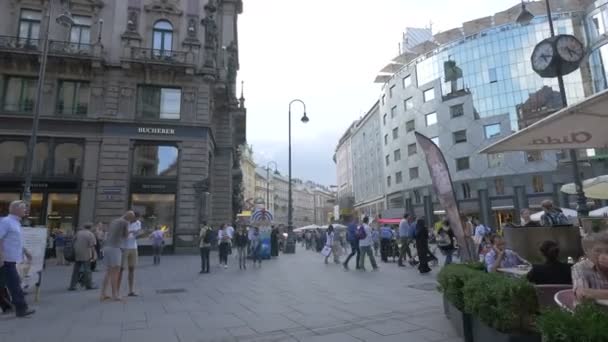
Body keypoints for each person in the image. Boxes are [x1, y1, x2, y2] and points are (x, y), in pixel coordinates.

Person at [0, 200, 35, 317]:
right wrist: (1, 257)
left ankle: (7, 306)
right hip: (5, 259)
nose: (25, 210)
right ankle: (21, 308)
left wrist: (26, 252)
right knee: (14, 284)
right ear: (15, 209)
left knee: (6, 284)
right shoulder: (6, 222)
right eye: (23, 208)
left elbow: (15, 241)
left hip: (10, 259)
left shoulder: (16, 223)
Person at [100, 211, 132, 302]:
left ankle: (103, 294)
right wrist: (130, 232)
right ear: (129, 217)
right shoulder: (125, 222)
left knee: (109, 272)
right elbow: (125, 236)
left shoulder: (114, 221)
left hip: (107, 247)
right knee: (115, 272)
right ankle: (115, 295)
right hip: (115, 248)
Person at [572, 232, 608, 302]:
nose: (604, 255)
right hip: (594, 310)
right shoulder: (580, 267)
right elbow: (582, 294)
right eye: (598, 251)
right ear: (587, 252)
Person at [118, 211, 141, 297]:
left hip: (134, 247)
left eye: (137, 219)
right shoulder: (124, 223)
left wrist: (140, 234)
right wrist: (131, 232)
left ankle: (131, 291)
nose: (136, 221)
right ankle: (117, 291)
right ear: (131, 217)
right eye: (135, 219)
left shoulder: (138, 223)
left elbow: (137, 236)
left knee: (132, 269)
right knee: (121, 269)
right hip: (124, 247)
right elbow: (122, 235)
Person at [68, 223, 97, 291]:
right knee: (87, 270)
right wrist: (94, 255)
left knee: (76, 270)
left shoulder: (78, 233)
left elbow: (73, 241)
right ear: (91, 227)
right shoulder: (90, 234)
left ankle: (72, 285)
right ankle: (89, 285)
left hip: (77, 252)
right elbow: (92, 246)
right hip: (85, 253)